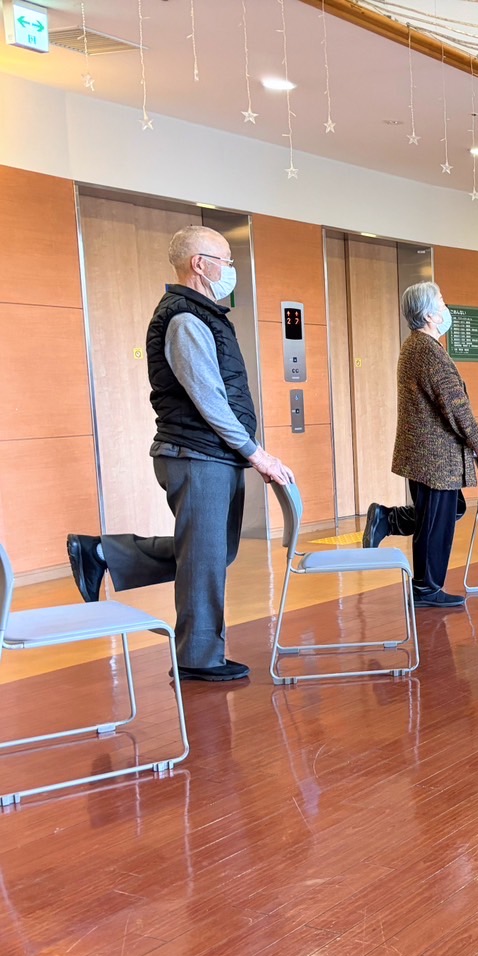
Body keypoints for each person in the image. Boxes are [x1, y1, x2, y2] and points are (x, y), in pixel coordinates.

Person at [66, 226, 294, 682]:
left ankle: (103, 553)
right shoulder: (185, 319)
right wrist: (257, 454)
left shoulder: (205, 315)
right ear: (199, 264)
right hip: (195, 453)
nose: (230, 269)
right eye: (225, 260)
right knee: (206, 557)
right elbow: (209, 399)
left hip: (211, 454)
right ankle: (198, 657)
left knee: (213, 552)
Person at [362, 281, 478, 608]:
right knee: (436, 523)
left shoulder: (416, 346)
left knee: (449, 511)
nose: (447, 308)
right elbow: (454, 403)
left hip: (425, 453)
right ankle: (426, 589)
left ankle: (389, 520)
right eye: (442, 302)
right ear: (431, 315)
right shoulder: (427, 350)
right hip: (435, 456)